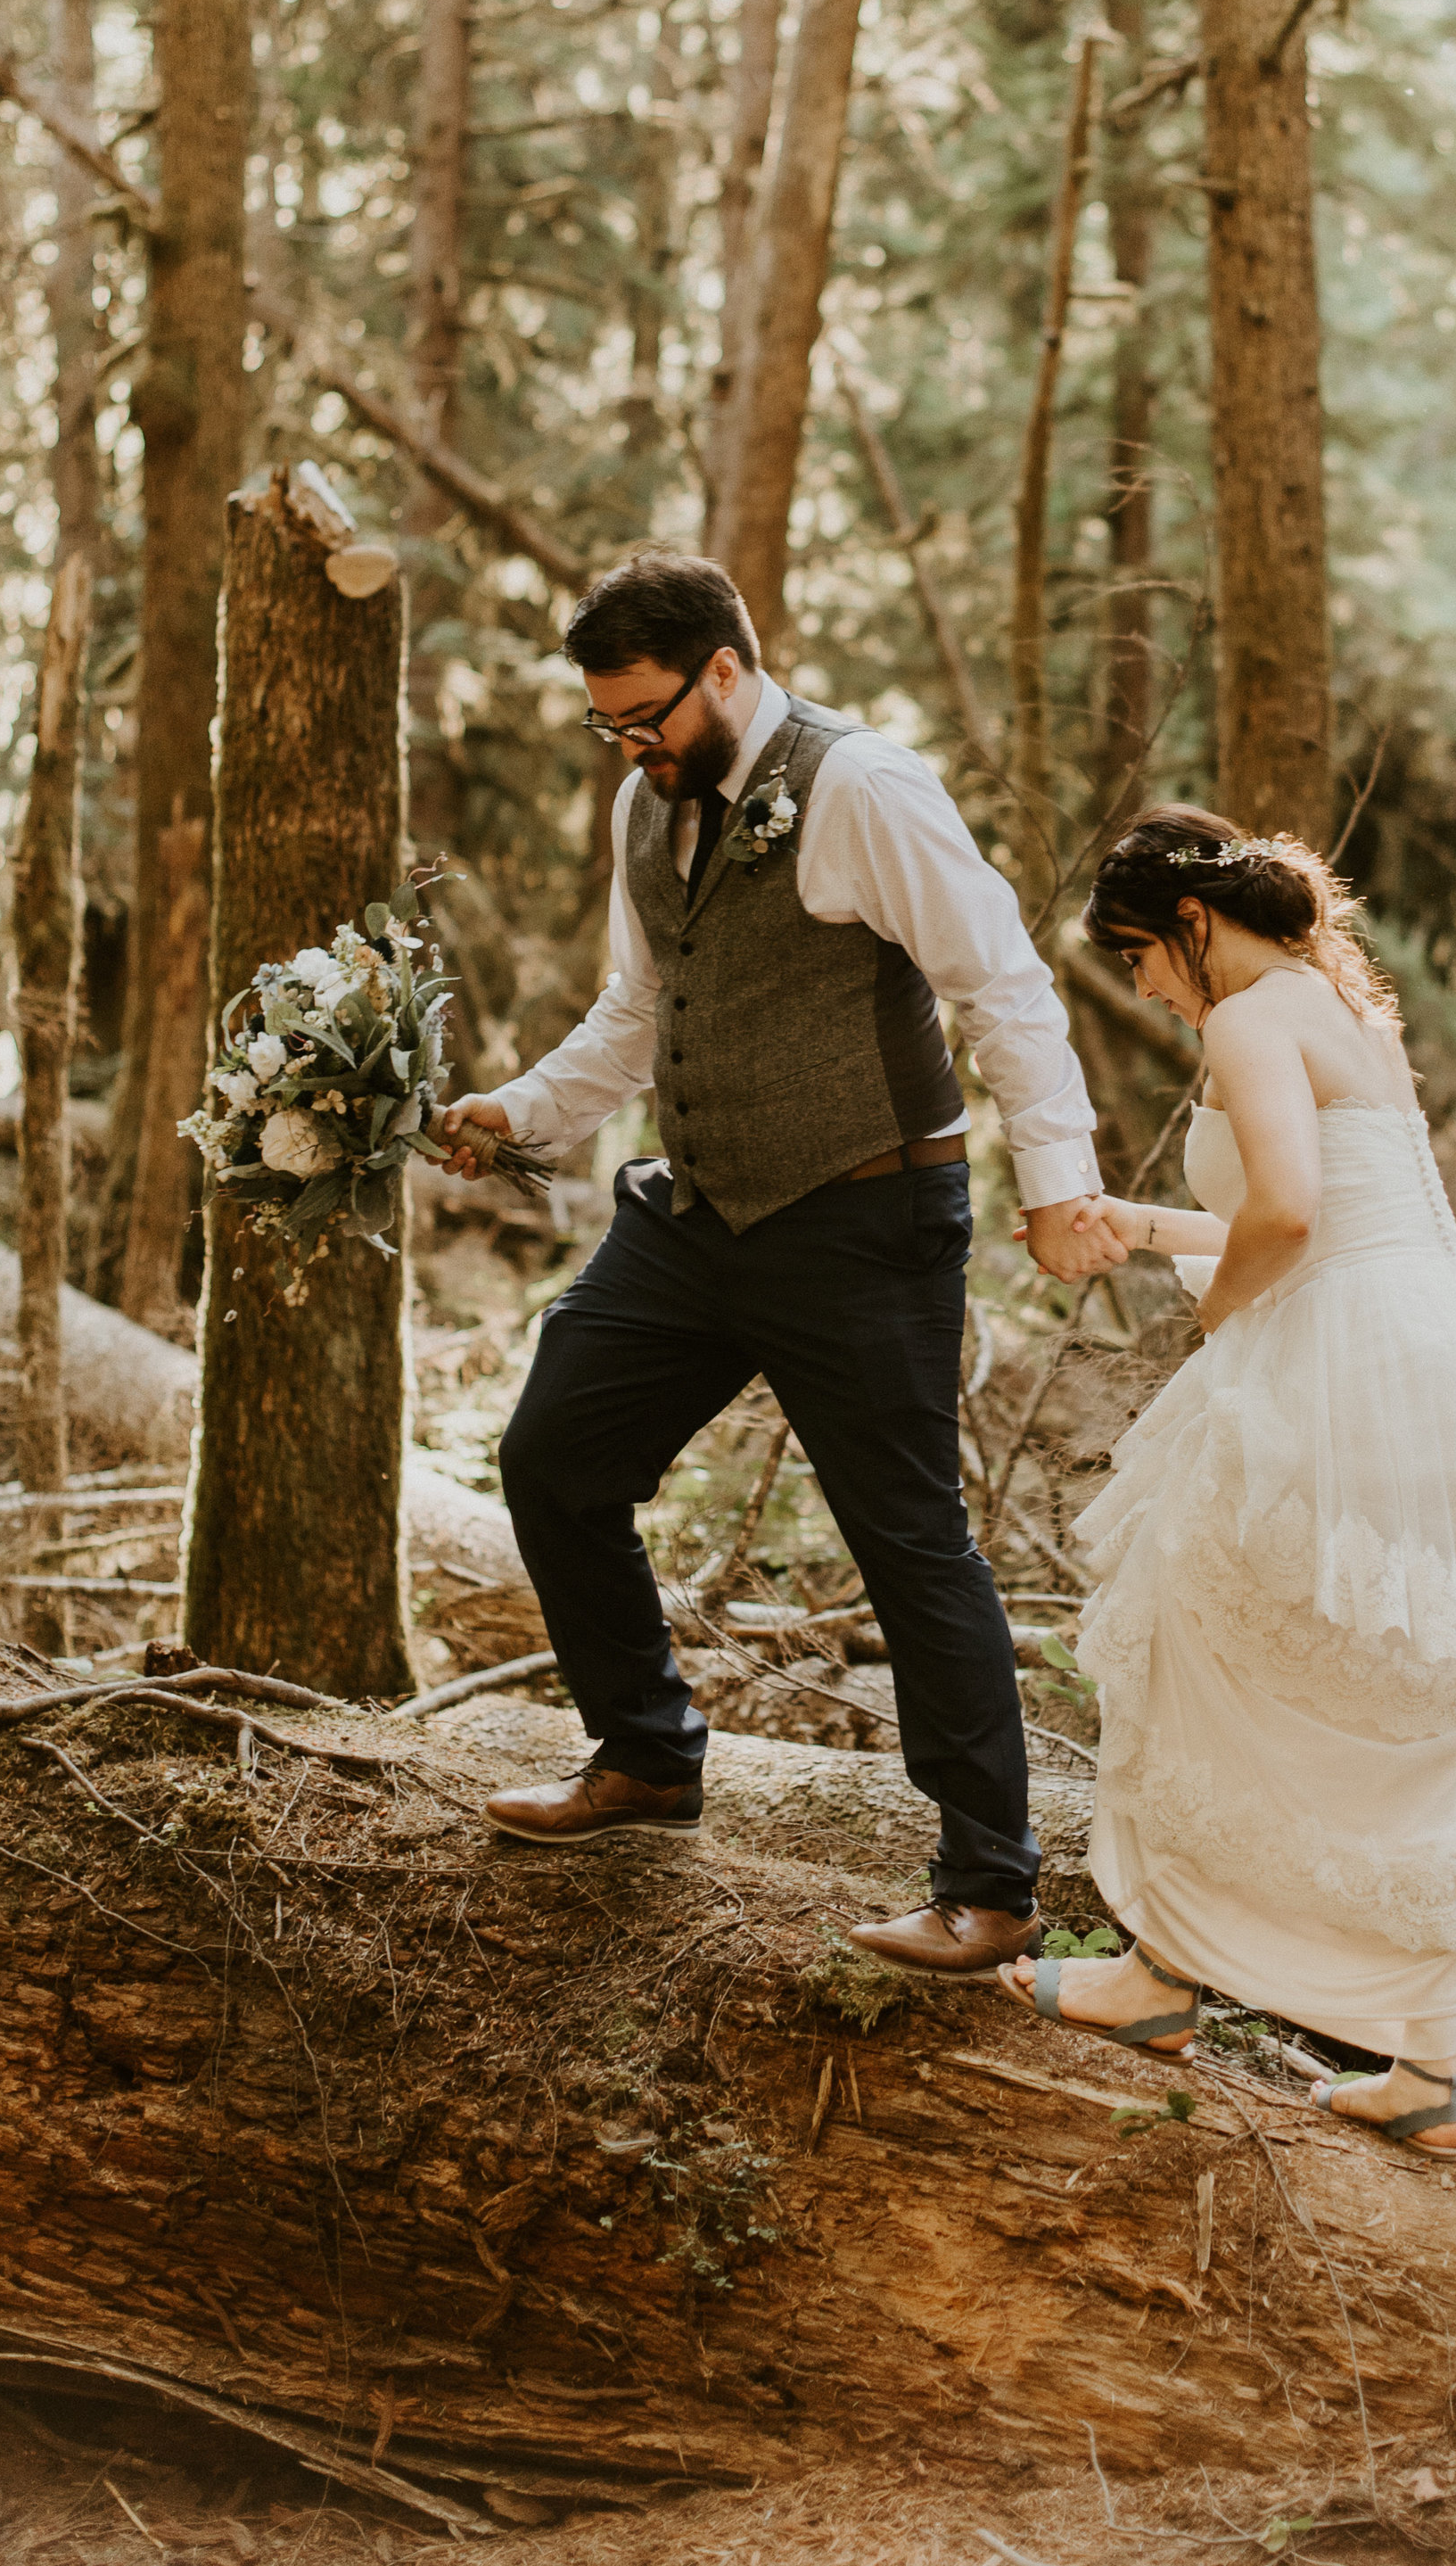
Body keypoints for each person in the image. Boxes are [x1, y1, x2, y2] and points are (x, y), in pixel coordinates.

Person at [436, 549, 1123, 1975]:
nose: (629, 745)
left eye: (647, 715)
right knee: (554, 1451)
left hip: (865, 1217)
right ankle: (646, 1756)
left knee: (907, 1533)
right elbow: (640, 1006)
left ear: (728, 671)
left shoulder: (862, 786)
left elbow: (999, 982)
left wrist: (1059, 1185)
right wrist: (519, 1110)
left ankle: (989, 1883)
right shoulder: (648, 802)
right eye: (607, 723)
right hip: (696, 1215)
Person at [998, 805, 1456, 2153]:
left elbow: (1282, 1218)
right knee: (1407, 1691)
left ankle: (1157, 1976)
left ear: (1194, 924)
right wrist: (1144, 1226)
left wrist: (1216, 1324)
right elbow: (1334, 1211)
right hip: (1431, 1354)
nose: (1147, 984)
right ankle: (1430, 2061)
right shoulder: (1343, 1008)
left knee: (1192, 1635)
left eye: (1143, 954)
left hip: (1338, 1362)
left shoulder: (1247, 1020)